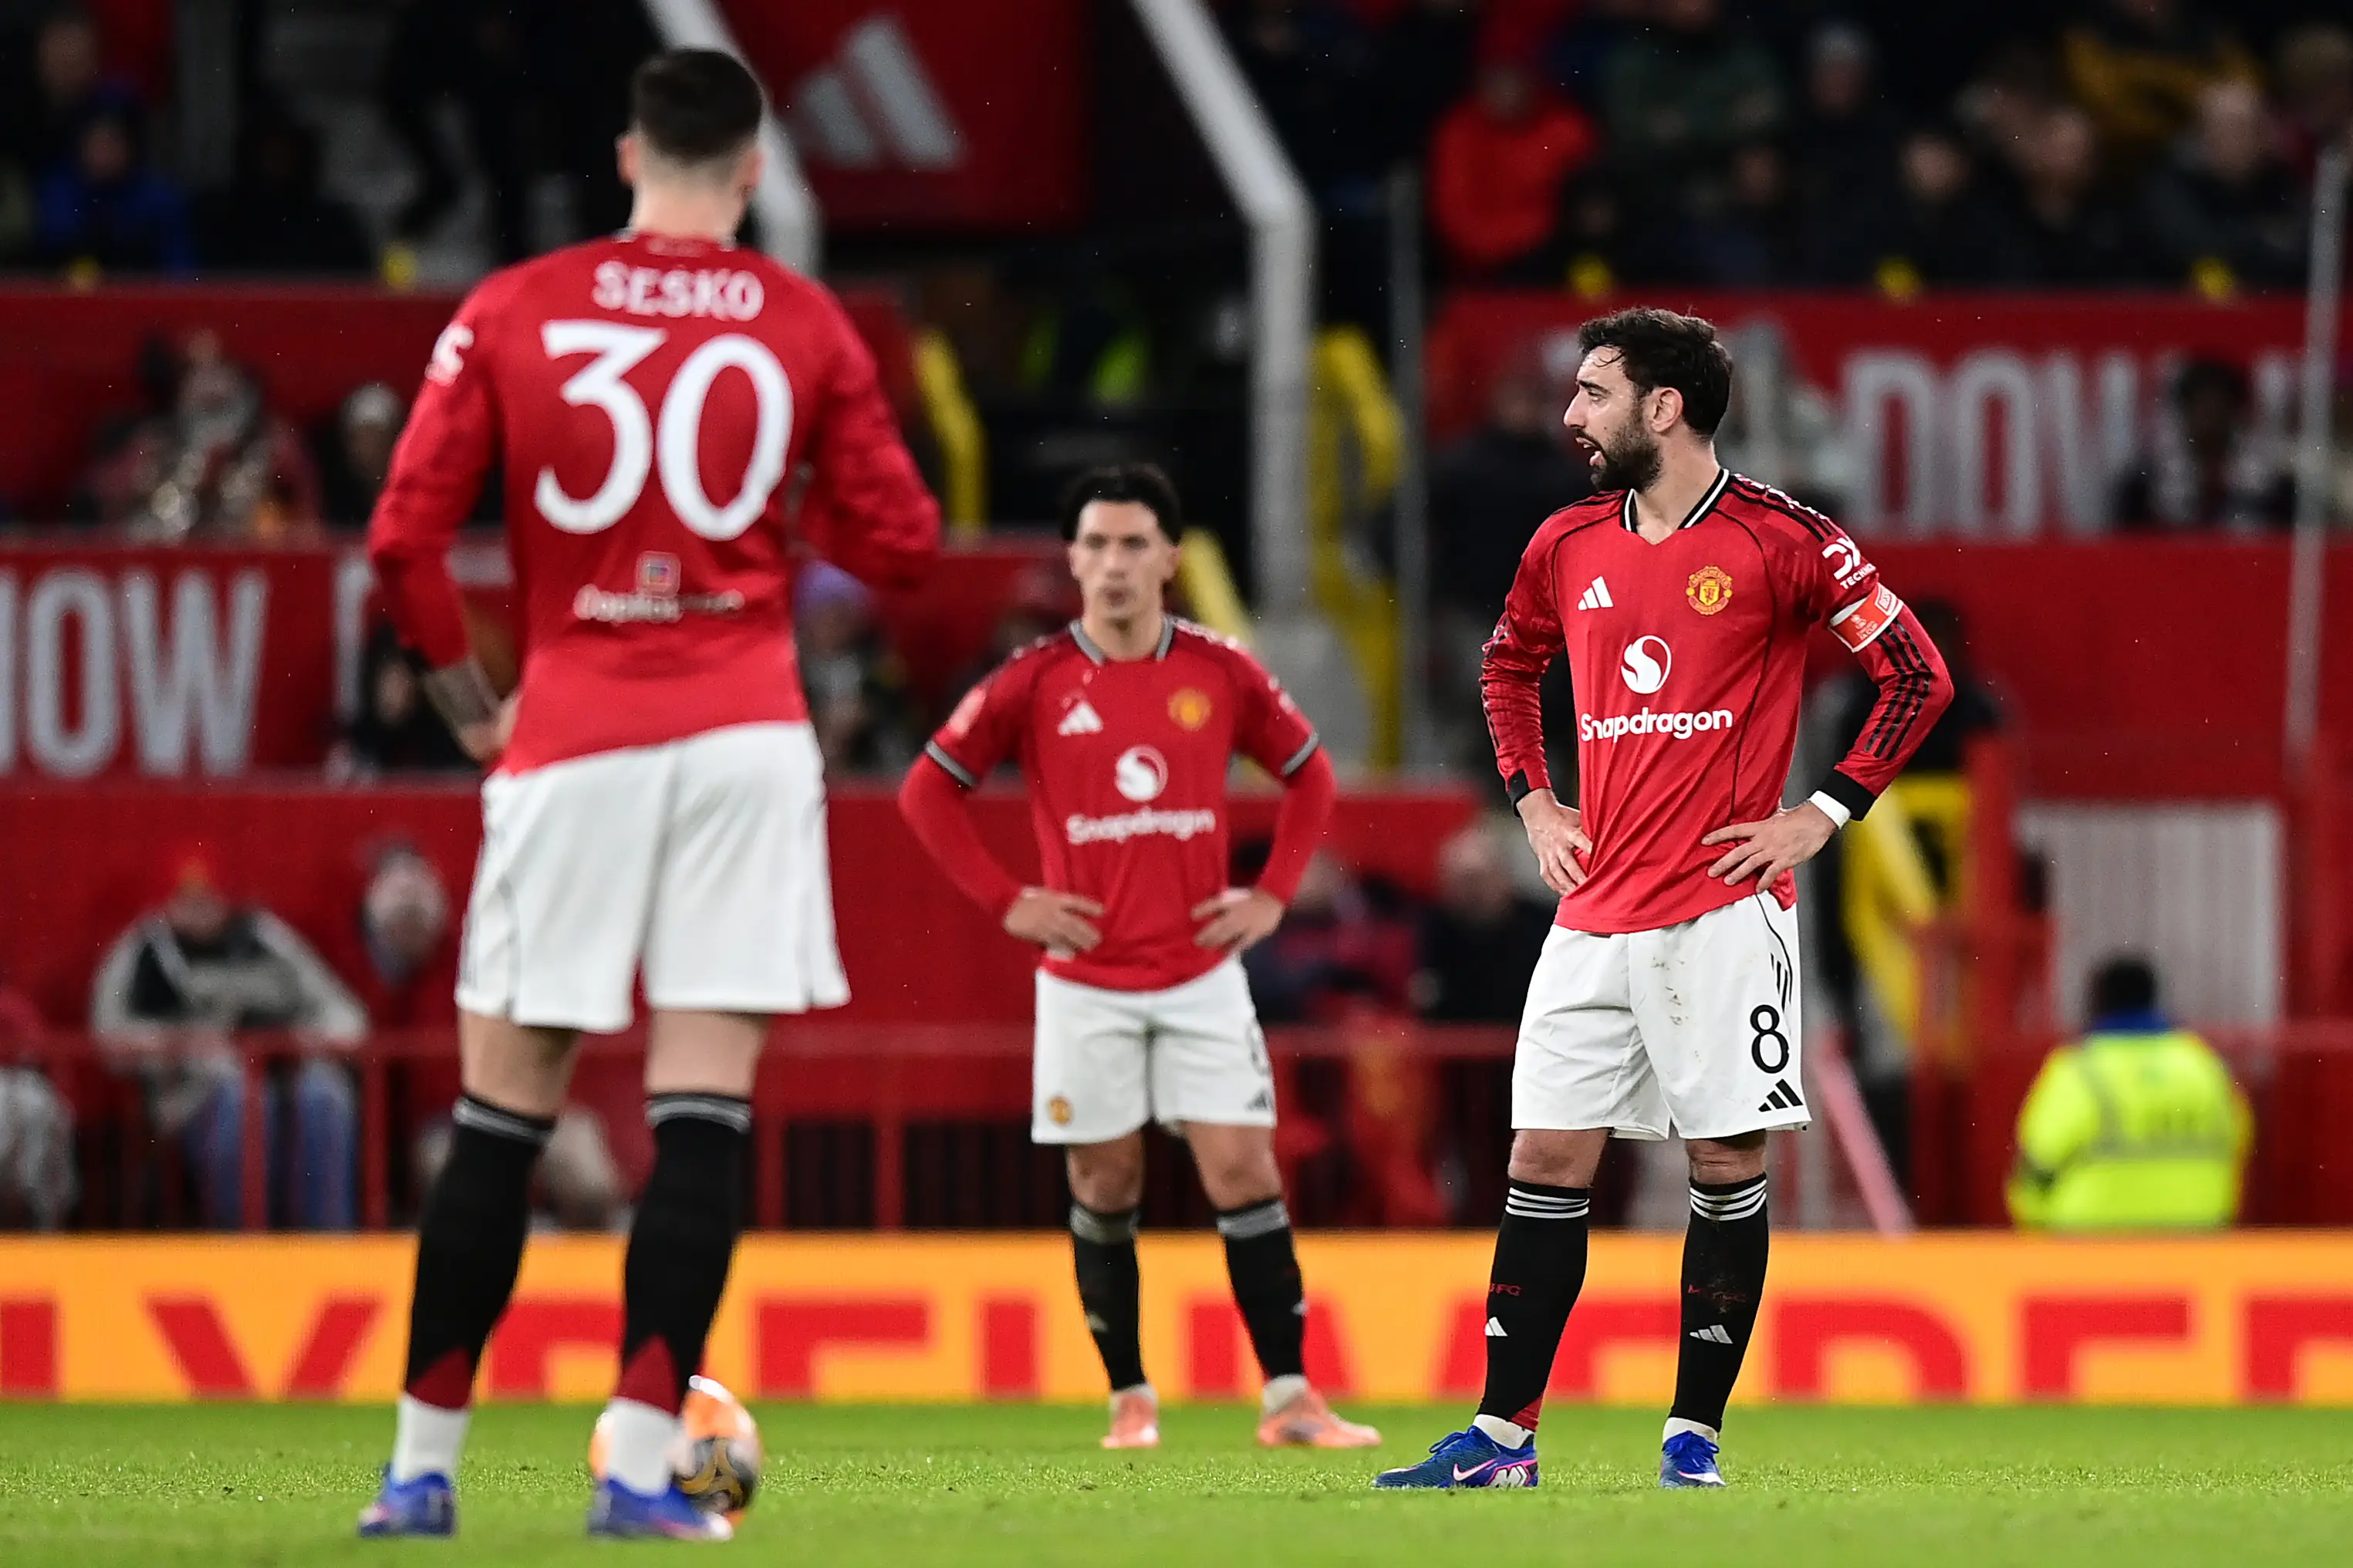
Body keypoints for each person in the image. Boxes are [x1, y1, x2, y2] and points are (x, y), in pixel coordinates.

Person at [357, 48, 940, 1542]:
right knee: (701, 1113)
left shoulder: (514, 306)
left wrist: (472, 705)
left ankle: (422, 1469)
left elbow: (401, 545)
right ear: (752, 172)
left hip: (571, 734)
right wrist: (774, 507)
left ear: (628, 157)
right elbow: (909, 542)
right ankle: (632, 1463)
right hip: (745, 737)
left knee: (502, 1114)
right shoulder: (802, 322)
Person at [1378, 308, 1953, 1491]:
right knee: (1542, 1156)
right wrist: (1534, 804)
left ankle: (1692, 1436)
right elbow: (1505, 664)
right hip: (1590, 911)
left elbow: (1914, 673)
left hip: (1721, 909)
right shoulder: (1564, 542)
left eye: (1591, 393)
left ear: (1662, 407)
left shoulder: (1782, 540)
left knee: (1725, 1163)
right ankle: (1501, 1439)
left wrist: (1822, 812)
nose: (1568, 417)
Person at [897, 464, 1378, 1455]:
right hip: (1084, 985)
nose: (1111, 564)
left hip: (1199, 972)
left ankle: (1289, 1396)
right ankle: (1129, 1395)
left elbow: (1310, 774)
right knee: (1106, 1182)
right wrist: (1009, 899)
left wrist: (1273, 893)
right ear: (1072, 559)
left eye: (1130, 545)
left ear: (1168, 557)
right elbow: (925, 791)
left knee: (1242, 1168)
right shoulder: (1031, 680)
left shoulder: (1218, 668)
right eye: (1094, 545)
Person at [89, 852, 365, 1230]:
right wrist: (180, 1046)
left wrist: (302, 1040)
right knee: (244, 1104)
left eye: (208, 899)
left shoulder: (265, 938)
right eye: (187, 900)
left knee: (325, 1097)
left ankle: (329, 1243)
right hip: (197, 1092)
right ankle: (244, 1243)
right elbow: (110, 1036)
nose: (199, 910)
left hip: (286, 1076)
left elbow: (347, 1018)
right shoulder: (145, 950)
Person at [2007, 956, 2250, 1230]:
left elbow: (2036, 1169)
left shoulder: (2079, 1071)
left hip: (2092, 1246)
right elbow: (2239, 1140)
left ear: (2096, 1002)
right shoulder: (2203, 1065)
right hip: (2198, 1238)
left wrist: (2037, 1228)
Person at [2113, 357, 2294, 531]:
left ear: (2236, 413)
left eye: (2218, 408)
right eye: (2200, 407)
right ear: (2182, 412)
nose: (2209, 419)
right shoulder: (2144, 484)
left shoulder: (2274, 487)